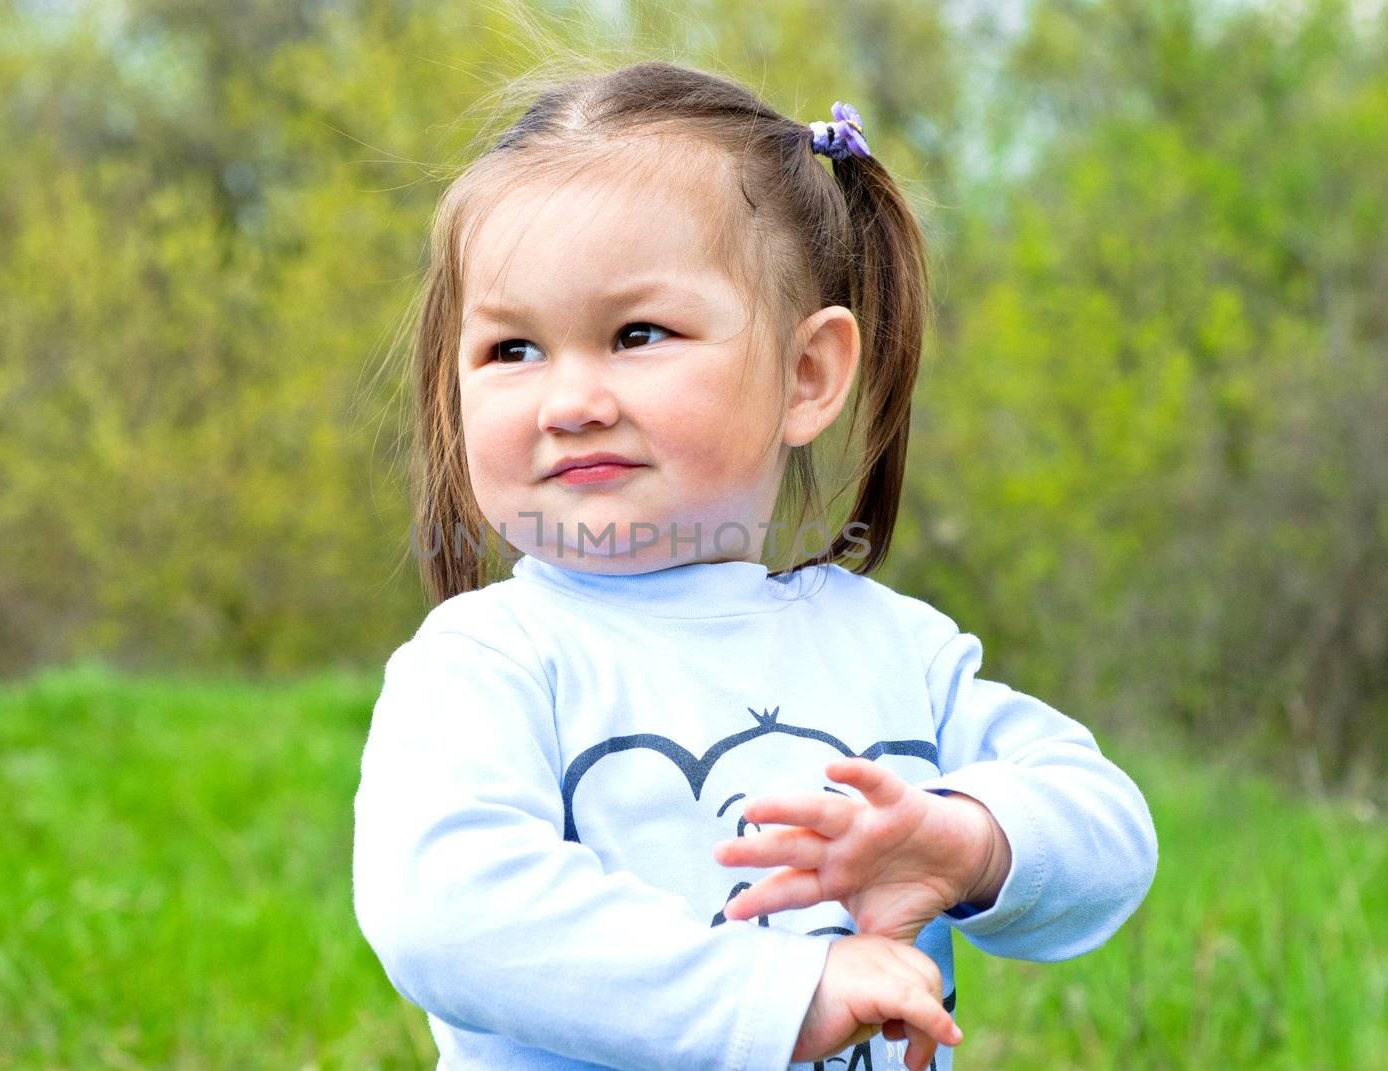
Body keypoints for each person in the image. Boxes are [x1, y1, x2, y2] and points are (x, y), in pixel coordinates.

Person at [353, 60, 1157, 1071]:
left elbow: (1108, 829)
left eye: (637, 334)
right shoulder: (492, 659)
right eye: (512, 350)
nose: (569, 401)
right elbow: (447, 913)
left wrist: (967, 843)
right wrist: (781, 995)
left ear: (807, 374)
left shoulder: (888, 647)